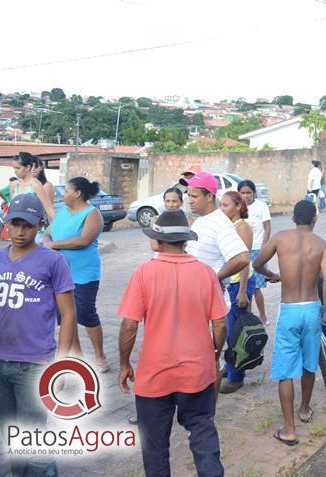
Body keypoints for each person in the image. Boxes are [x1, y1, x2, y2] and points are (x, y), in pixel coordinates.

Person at [118, 209, 227, 477]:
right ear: (185, 240)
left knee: (154, 448)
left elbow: (130, 324)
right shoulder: (205, 273)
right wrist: (214, 355)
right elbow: (221, 324)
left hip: (154, 376)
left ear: (157, 240)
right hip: (197, 373)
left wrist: (124, 363)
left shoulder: (144, 273)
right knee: (202, 430)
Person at [0, 194, 76, 477]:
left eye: (27, 225)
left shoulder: (53, 261)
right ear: (6, 225)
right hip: (0, 362)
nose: (20, 231)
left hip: (35, 365)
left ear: (39, 225)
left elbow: (69, 315)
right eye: (14, 224)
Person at [253, 200, 326, 446]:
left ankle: (289, 430)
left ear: (292, 218)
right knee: (310, 362)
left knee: (286, 370)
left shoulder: (279, 238)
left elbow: (256, 263)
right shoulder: (323, 244)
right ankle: (305, 409)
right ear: (315, 219)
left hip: (289, 310)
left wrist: (272, 275)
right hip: (311, 308)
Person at [181, 172, 250, 393]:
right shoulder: (203, 221)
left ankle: (207, 414)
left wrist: (215, 277)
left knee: (210, 360)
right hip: (192, 301)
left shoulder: (220, 224)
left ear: (209, 196)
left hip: (207, 304)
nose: (189, 199)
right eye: (188, 195)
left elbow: (242, 258)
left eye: (194, 196)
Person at [44, 177, 109, 372]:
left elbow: (84, 240)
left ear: (77, 193)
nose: (63, 195)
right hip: (59, 273)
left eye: (66, 191)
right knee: (66, 317)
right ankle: (79, 358)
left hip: (84, 273)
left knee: (86, 314)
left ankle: (100, 355)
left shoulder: (92, 214)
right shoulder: (62, 212)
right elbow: (48, 233)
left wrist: (54, 245)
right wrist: (47, 242)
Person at [218, 191, 256, 393]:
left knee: (236, 332)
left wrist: (242, 291)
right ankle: (229, 366)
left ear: (238, 206)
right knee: (228, 329)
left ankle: (236, 376)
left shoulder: (243, 228)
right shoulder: (229, 227)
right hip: (230, 283)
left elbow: (244, 260)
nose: (222, 209)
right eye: (221, 205)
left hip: (240, 284)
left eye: (226, 205)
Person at [239, 180, 272, 326]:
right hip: (242, 250)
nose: (245, 196)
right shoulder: (238, 207)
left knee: (257, 287)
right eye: (243, 193)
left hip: (258, 249)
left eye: (248, 193)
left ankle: (263, 316)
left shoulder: (261, 206)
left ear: (254, 193)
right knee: (244, 285)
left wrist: (264, 248)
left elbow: (267, 228)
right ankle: (248, 316)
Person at [10, 152, 54, 222]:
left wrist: (57, 228)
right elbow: (11, 207)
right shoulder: (14, 185)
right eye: (14, 168)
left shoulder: (36, 185)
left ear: (27, 167)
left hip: (33, 226)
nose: (15, 171)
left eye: (18, 168)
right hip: (16, 225)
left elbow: (49, 209)